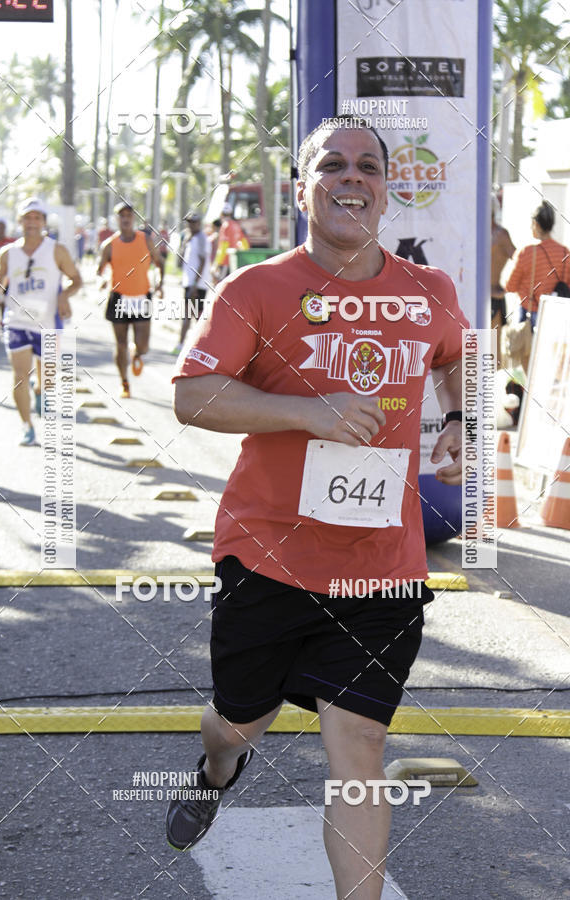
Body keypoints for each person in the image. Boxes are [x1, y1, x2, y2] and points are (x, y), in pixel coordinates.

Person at [167, 118, 467, 898]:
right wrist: (310, 411)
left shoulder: (428, 291)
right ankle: (217, 768)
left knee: (359, 746)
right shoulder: (256, 288)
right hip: (270, 556)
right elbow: (194, 397)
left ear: (386, 189)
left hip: (381, 569)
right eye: (332, 164)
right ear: (303, 189)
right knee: (237, 722)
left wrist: (463, 419)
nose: (352, 176)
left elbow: (462, 358)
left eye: (369, 165)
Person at [0, 198, 82, 446]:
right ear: (20, 221)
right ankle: (27, 426)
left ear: (43, 222)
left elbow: (76, 279)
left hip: (48, 323)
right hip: (16, 321)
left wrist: (64, 294)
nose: (32, 222)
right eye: (27, 217)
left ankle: (41, 390)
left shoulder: (56, 250)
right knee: (19, 375)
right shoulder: (9, 253)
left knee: (48, 378)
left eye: (37, 217)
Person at [97, 201, 164, 398]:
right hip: (118, 297)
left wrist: (159, 283)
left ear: (133, 218)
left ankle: (137, 353)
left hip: (141, 296)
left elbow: (159, 264)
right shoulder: (109, 245)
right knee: (120, 344)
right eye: (121, 216)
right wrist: (102, 280)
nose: (125, 219)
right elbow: (99, 270)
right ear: (117, 219)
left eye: (129, 215)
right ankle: (124, 382)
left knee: (143, 346)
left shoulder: (146, 240)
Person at [505, 200, 570, 333]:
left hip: (529, 315)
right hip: (556, 318)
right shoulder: (565, 252)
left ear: (536, 224)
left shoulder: (526, 252)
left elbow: (510, 286)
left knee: (525, 353)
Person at [171, 210, 211, 356]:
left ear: (199, 223)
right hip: (189, 282)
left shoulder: (201, 238)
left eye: (193, 222)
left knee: (193, 315)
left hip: (197, 284)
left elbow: (202, 260)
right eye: (189, 222)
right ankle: (195, 346)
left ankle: (193, 346)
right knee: (193, 315)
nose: (191, 225)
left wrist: (195, 283)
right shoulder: (189, 237)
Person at [490, 196, 515, 366]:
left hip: (493, 297)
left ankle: (490, 392)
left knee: (492, 353)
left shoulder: (500, 234)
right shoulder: (470, 230)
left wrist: (507, 286)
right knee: (471, 351)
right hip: (469, 294)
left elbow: (521, 261)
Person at [211, 202, 249, 282]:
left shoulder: (225, 226)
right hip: (235, 261)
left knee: (222, 286)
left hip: (225, 262)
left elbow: (224, 246)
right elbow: (245, 244)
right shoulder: (236, 225)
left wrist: (216, 264)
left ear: (221, 214)